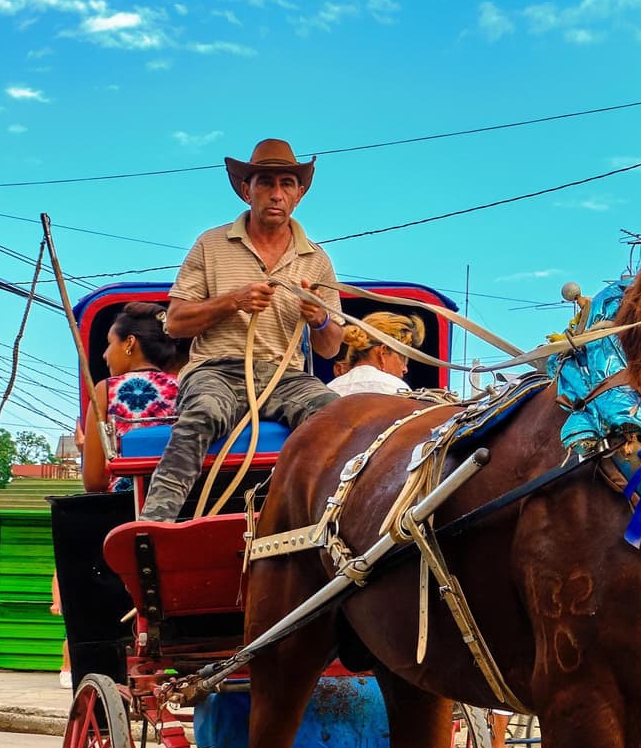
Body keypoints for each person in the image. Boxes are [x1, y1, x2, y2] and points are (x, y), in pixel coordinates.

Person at [138, 140, 343, 522]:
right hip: (216, 370)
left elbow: (331, 347)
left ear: (299, 194)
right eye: (265, 182)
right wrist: (232, 300)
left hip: (285, 377)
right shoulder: (210, 244)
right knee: (203, 411)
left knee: (336, 417)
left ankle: (324, 523)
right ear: (247, 190)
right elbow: (176, 322)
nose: (276, 193)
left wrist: (320, 318)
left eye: (286, 184)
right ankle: (154, 524)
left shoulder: (317, 260)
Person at [81, 301, 189, 494]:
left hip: (127, 507)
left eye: (110, 343)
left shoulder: (106, 390)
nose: (105, 355)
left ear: (129, 343)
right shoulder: (187, 387)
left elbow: (94, 482)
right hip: (181, 499)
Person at [328, 311, 420, 398]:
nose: (405, 369)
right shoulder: (398, 389)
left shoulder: (330, 389)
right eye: (402, 358)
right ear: (382, 352)